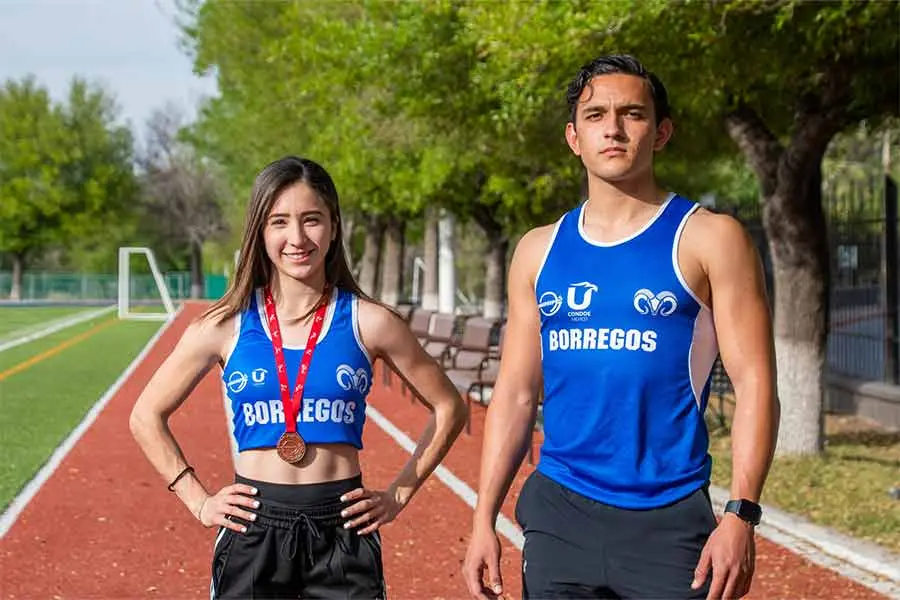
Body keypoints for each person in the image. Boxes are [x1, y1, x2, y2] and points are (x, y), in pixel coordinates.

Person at [463, 54, 778, 599]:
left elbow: (756, 383)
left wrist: (741, 514)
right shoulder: (537, 252)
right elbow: (514, 393)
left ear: (661, 132)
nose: (612, 127)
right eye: (596, 115)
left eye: (632, 114)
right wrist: (482, 519)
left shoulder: (709, 238)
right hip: (559, 513)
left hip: (669, 520)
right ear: (573, 136)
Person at [130, 156, 468, 599]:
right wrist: (197, 499)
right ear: (260, 231)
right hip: (253, 528)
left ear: (333, 226)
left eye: (312, 220)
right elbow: (145, 415)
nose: (297, 238)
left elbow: (450, 407)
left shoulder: (370, 321)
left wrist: (399, 493)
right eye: (279, 222)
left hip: (343, 531)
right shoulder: (224, 325)